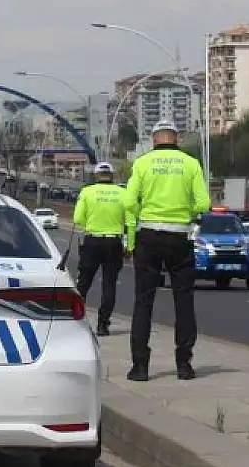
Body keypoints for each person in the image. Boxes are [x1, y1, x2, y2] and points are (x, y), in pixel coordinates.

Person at [123, 120, 211, 382]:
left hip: (148, 235)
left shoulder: (142, 163)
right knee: (183, 301)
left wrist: (141, 220)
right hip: (179, 236)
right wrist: (186, 214)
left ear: (154, 140)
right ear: (177, 139)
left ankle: (140, 367)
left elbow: (128, 201)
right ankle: (184, 365)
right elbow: (204, 203)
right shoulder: (190, 164)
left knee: (143, 301)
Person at [72, 162, 134, 337]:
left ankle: (75, 320)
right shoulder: (123, 193)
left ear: (96, 175)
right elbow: (131, 222)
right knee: (109, 285)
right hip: (113, 243)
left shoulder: (87, 192)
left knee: (84, 282)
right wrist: (130, 247)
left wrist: (92, 223)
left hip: (92, 241)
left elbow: (78, 218)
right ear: (112, 176)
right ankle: (103, 325)